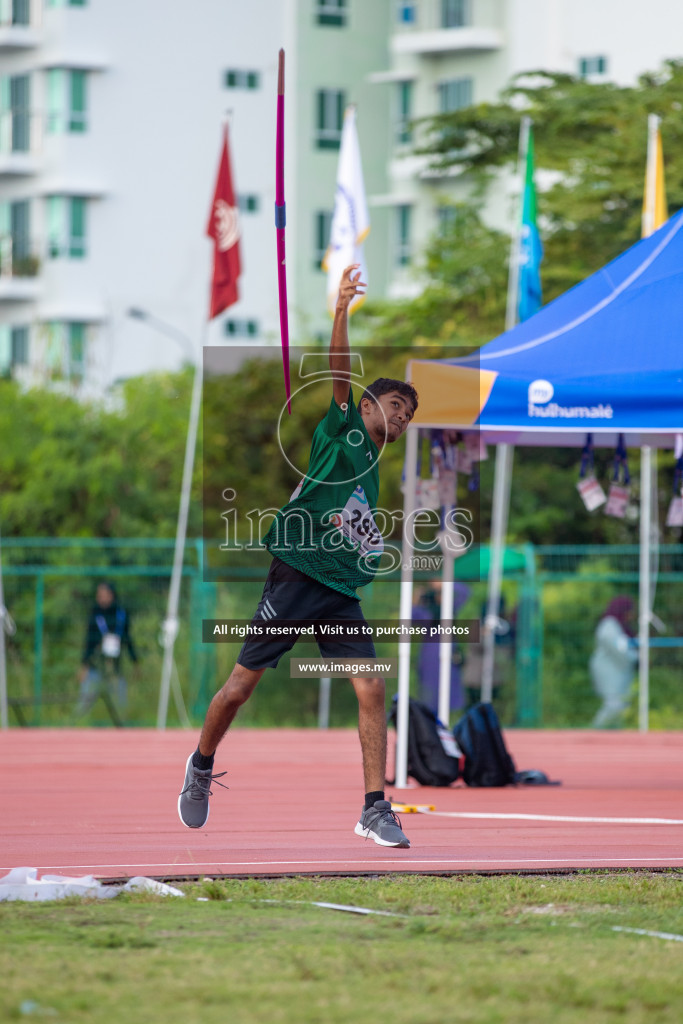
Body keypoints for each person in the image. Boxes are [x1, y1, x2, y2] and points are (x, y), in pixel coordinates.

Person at [178, 264, 418, 848]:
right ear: (365, 406)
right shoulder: (346, 432)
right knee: (239, 688)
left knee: (371, 687)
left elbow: (356, 527)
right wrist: (340, 311)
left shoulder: (374, 470)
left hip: (337, 588)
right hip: (295, 576)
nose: (402, 418)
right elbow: (340, 369)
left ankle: (373, 808)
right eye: (394, 405)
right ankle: (201, 766)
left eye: (409, 416)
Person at [78, 581, 137, 719]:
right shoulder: (95, 614)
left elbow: (128, 639)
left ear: (112, 595)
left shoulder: (121, 614)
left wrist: (135, 661)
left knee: (120, 701)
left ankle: (123, 724)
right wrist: (84, 665)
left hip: (115, 667)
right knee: (85, 698)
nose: (100, 598)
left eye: (103, 595)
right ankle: (79, 724)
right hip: (96, 665)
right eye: (98, 595)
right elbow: (89, 641)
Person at [411, 581, 470, 715]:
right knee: (429, 695)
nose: (442, 597)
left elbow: (465, 592)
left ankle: (445, 723)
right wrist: (416, 597)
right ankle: (431, 723)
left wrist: (445, 583)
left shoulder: (450, 609)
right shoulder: (425, 613)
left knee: (449, 693)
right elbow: (410, 615)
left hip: (450, 657)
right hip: (430, 658)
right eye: (439, 594)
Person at [589, 596, 638, 728]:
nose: (632, 615)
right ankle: (593, 732)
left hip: (618, 669)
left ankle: (613, 734)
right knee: (613, 704)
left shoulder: (617, 625)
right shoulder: (609, 624)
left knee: (621, 704)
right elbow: (618, 647)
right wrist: (635, 657)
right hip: (608, 669)